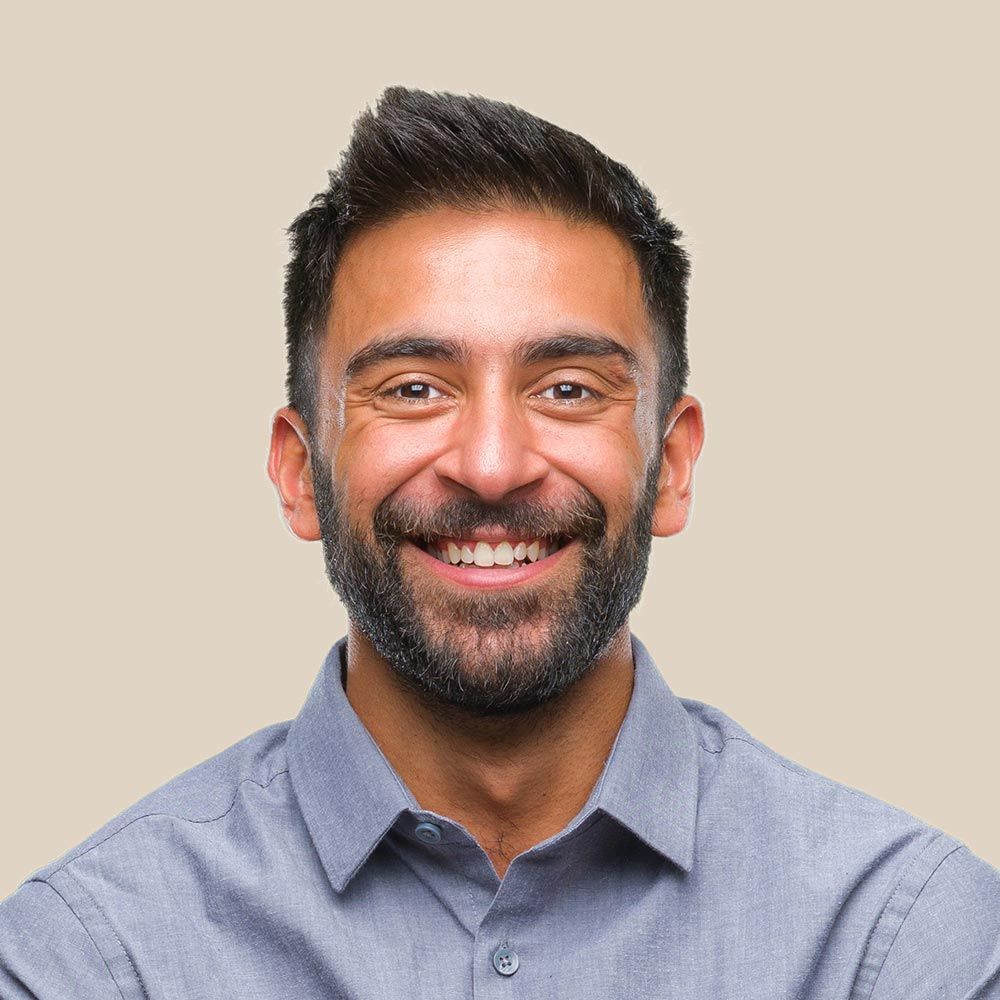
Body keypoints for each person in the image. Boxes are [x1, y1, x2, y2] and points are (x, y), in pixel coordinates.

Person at [1, 85, 997, 999]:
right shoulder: (93, 956)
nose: (490, 464)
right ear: (300, 471)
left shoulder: (897, 940)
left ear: (673, 464)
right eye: (413, 387)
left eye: (567, 387)